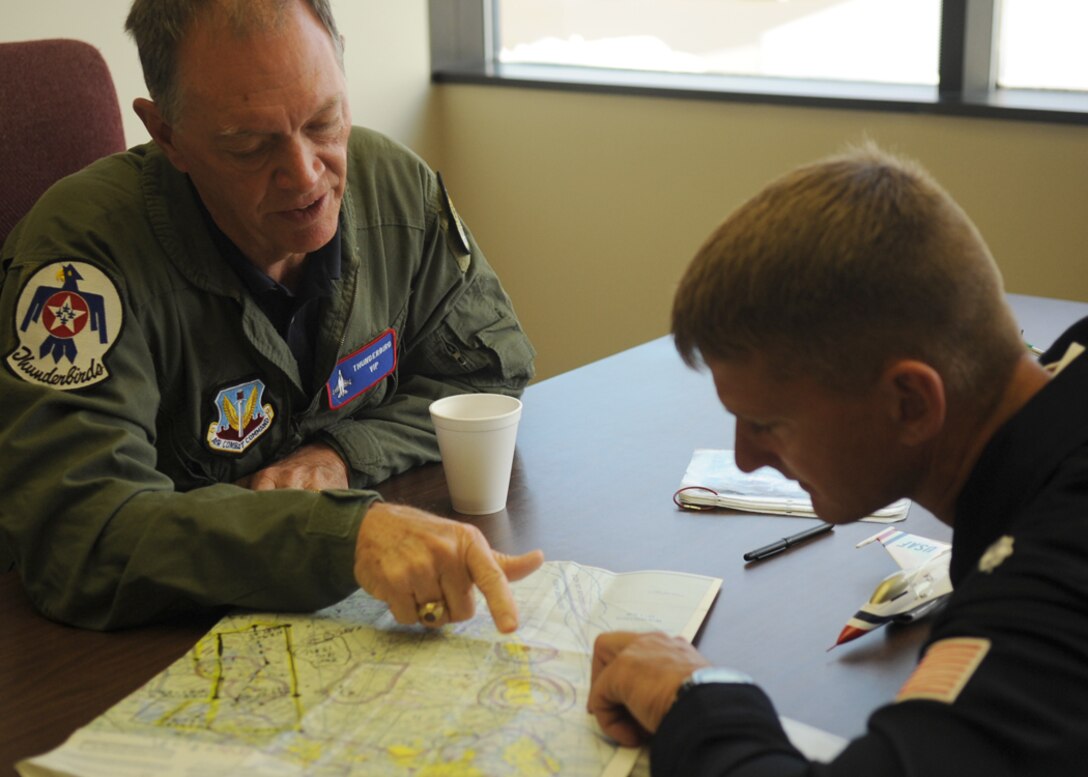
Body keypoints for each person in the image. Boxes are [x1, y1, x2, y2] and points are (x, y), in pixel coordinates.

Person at [0, 0, 543, 631]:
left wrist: (342, 450)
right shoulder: (80, 265)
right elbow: (81, 533)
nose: (305, 175)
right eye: (249, 146)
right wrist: (340, 538)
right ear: (166, 134)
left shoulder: (394, 188)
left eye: (324, 121)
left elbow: (486, 376)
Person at [587, 144, 1088, 774]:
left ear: (909, 402)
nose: (743, 460)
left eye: (769, 424)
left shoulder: (1052, 575)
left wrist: (695, 696)